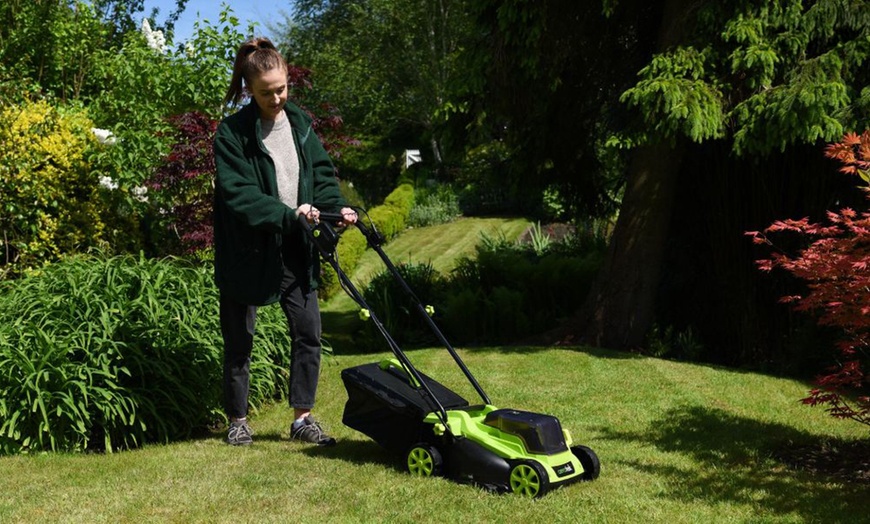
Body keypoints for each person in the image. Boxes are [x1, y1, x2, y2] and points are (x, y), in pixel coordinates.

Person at [213, 37, 357, 446]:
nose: (276, 98)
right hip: (248, 249)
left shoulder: (300, 124)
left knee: (308, 331)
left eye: (281, 88)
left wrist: (336, 209)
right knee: (239, 339)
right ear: (248, 89)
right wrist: (286, 215)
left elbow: (323, 177)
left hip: (296, 244)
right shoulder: (232, 134)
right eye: (265, 92)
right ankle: (238, 421)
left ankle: (302, 419)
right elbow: (238, 194)